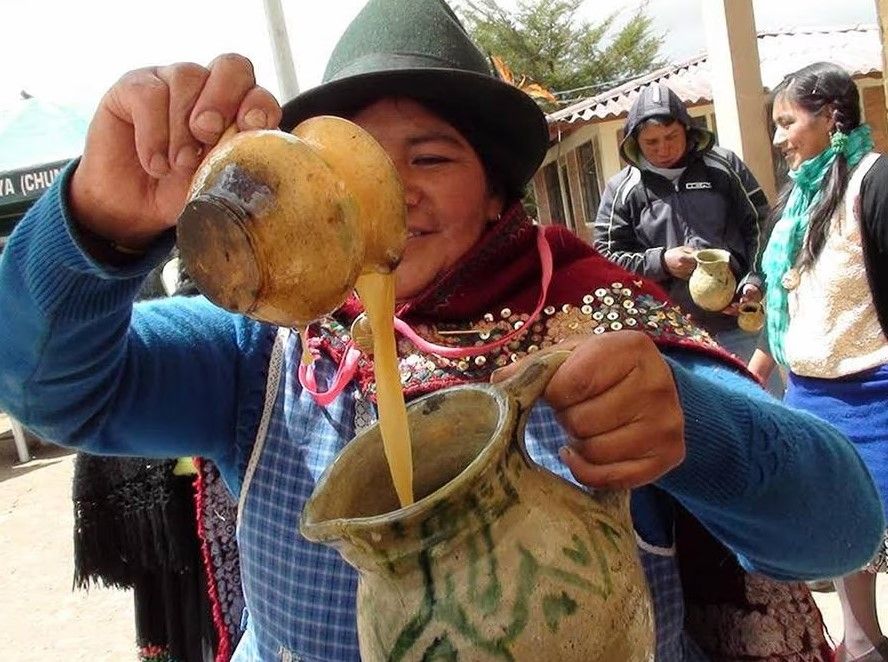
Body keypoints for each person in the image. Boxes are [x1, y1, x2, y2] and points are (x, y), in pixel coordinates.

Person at [0, 1, 882, 660]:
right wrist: (94, 225)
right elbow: (51, 389)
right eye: (355, 163)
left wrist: (697, 429)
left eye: (428, 158)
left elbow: (841, 529)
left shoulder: (599, 331)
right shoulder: (265, 352)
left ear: (497, 194)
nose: (395, 191)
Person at [749, 61, 888, 662]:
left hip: (876, 393)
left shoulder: (874, 182)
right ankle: (863, 641)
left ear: (832, 116)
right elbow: (797, 287)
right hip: (811, 394)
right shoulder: (801, 198)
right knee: (842, 531)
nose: (779, 139)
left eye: (787, 122)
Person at [593, 82, 774, 375]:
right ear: (634, 141)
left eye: (671, 137)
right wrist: (661, 262)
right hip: (669, 335)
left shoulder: (724, 167)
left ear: (688, 131)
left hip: (736, 326)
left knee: (762, 409)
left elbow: (761, 226)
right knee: (692, 418)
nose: (663, 149)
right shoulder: (622, 189)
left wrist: (753, 281)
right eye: (651, 142)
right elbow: (604, 257)